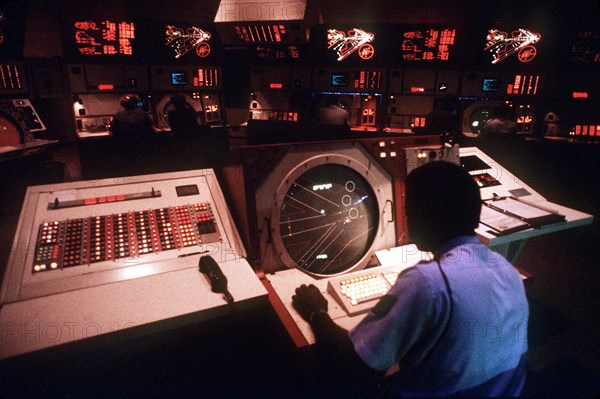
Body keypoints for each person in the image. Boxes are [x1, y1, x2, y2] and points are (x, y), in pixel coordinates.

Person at [292, 161, 529, 397]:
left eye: (408, 212)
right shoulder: (508, 271)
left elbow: (352, 364)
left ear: (422, 218)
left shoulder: (427, 282)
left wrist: (317, 313)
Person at [109, 94, 154, 175]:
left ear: (123, 105)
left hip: (124, 148)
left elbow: (112, 132)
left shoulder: (118, 116)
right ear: (136, 103)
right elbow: (150, 128)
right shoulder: (143, 115)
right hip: (141, 147)